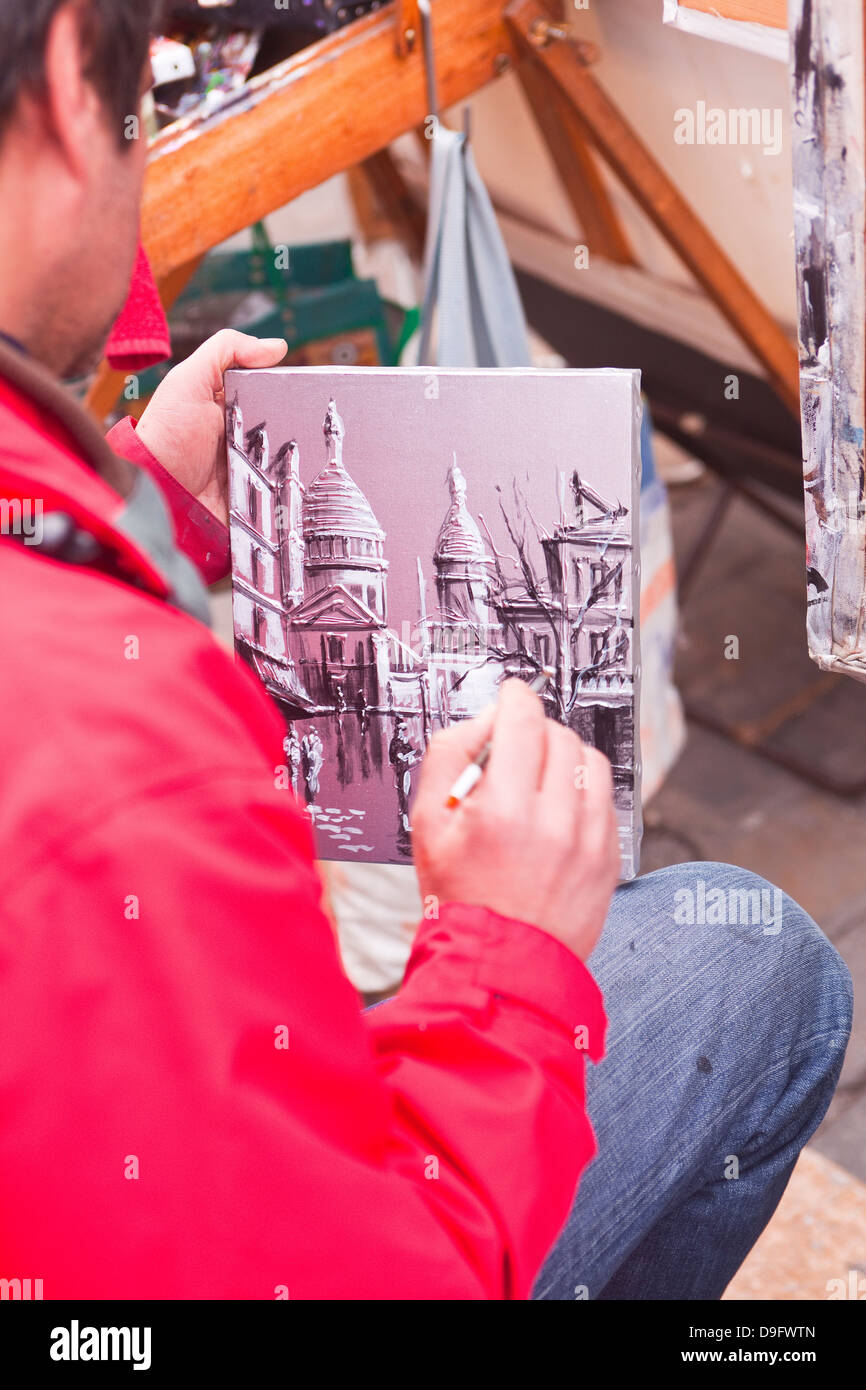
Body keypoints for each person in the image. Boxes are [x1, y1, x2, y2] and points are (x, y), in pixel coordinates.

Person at [0, 0, 852, 1300]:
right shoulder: (114, 759)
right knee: (759, 962)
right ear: (73, 81)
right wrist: (507, 952)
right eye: (142, 121)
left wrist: (145, 501)